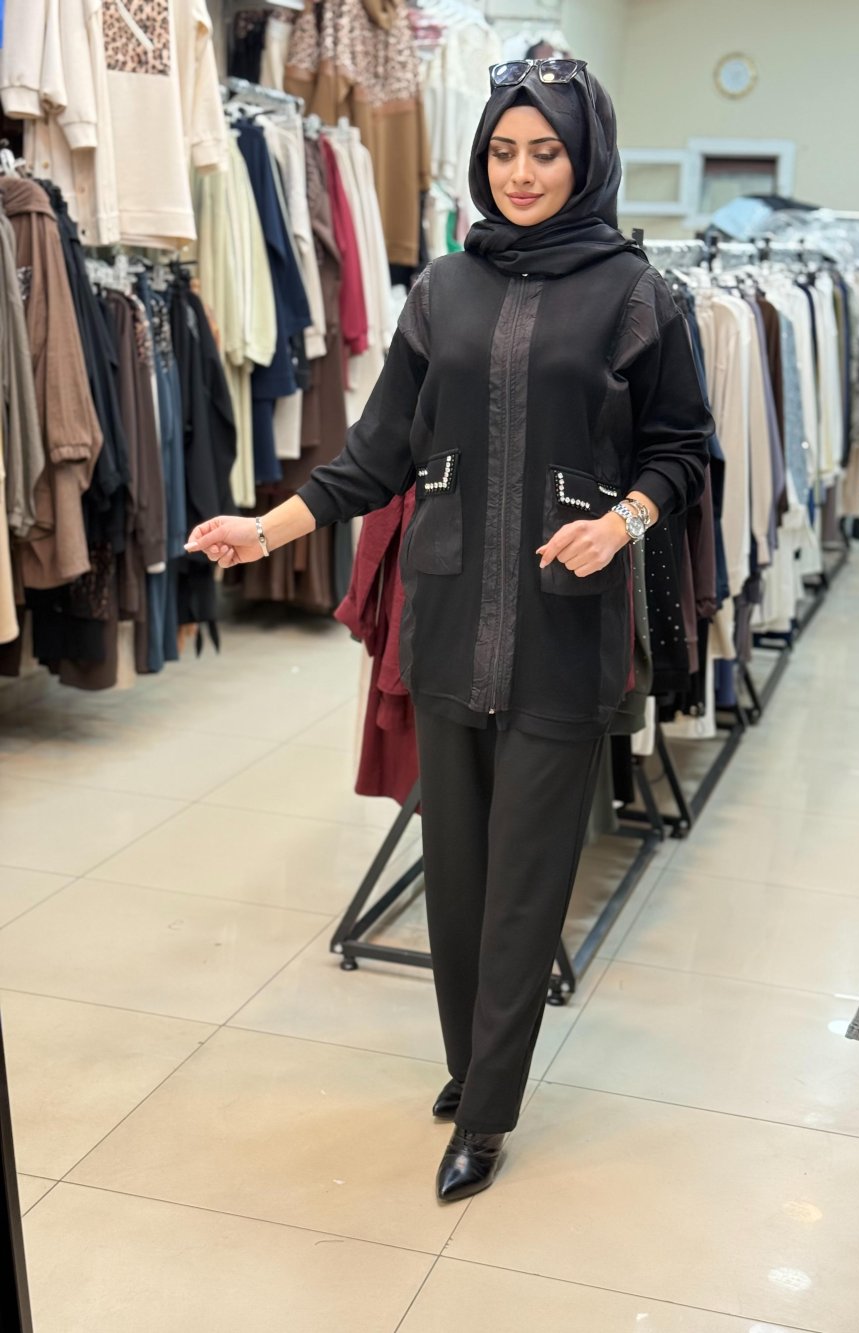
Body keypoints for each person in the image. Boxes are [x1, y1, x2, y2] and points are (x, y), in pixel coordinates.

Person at [185, 58, 713, 1203]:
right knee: (459, 875)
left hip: (563, 629)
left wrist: (621, 523)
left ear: (585, 159)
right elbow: (376, 454)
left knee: (524, 883)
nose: (521, 173)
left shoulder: (637, 296)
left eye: (546, 152)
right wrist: (265, 527)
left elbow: (683, 449)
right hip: (445, 614)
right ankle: (468, 1064)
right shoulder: (443, 290)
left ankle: (487, 1112)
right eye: (503, 152)